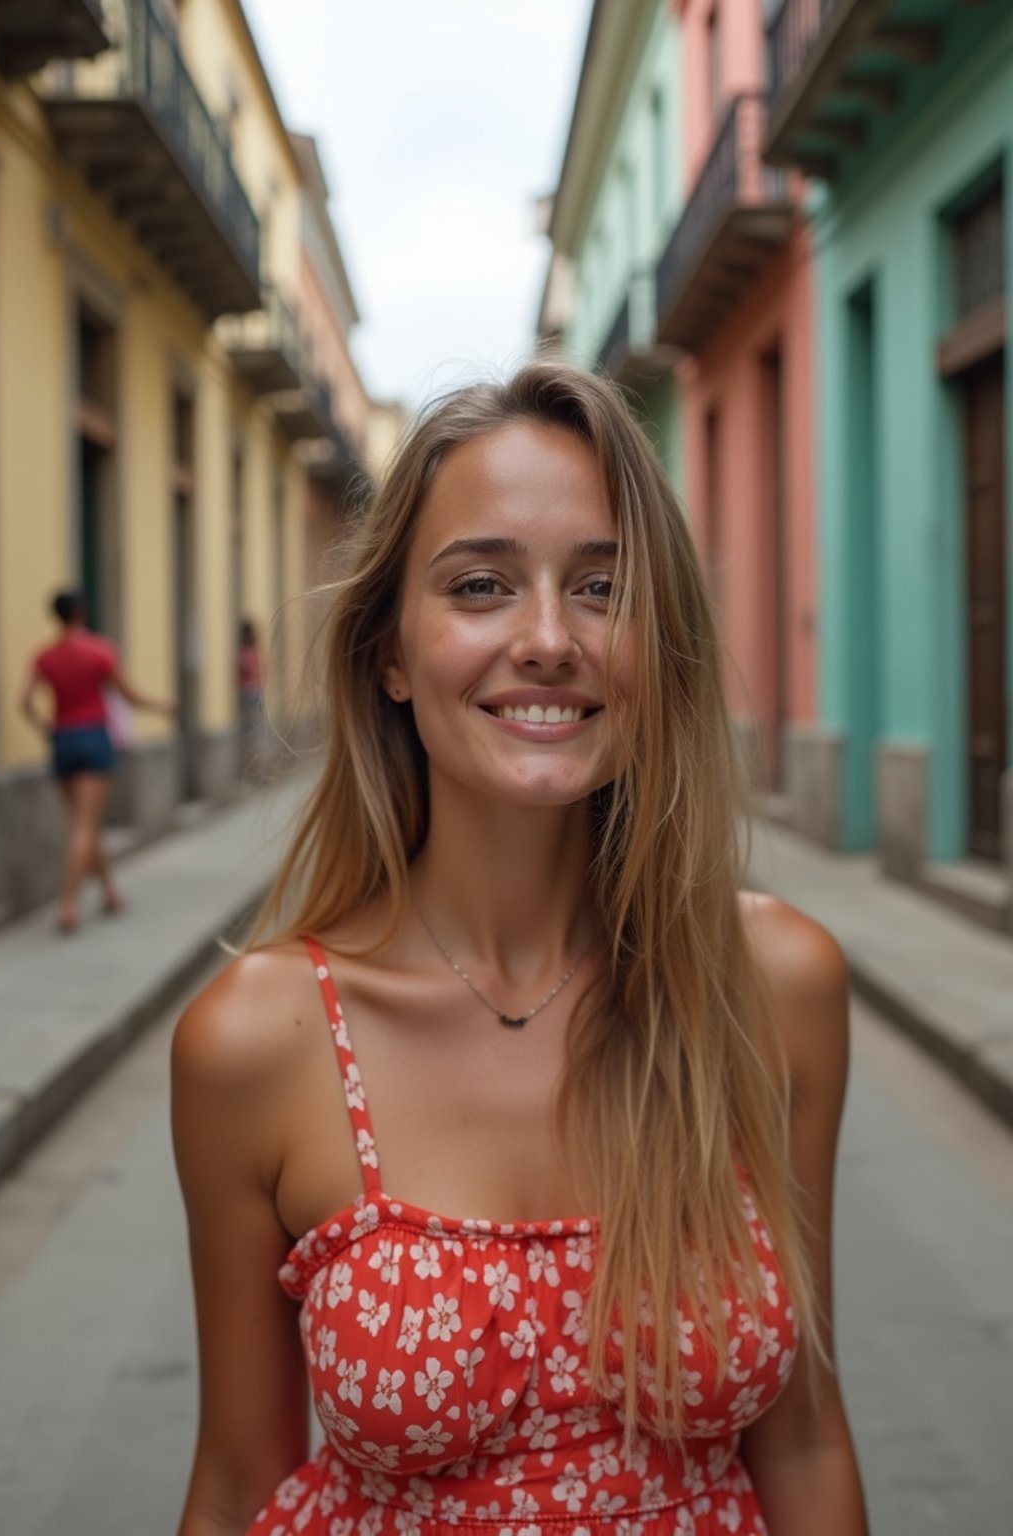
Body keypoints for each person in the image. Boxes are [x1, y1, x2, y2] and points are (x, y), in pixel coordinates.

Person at [172, 363, 868, 1536]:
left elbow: (801, 1446)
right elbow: (240, 1480)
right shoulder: (259, 1039)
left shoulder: (773, 989)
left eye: (603, 587)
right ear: (389, 653)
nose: (550, 639)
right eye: (482, 585)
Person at [19, 589, 176, 932]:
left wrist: (46, 726)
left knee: (84, 822)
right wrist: (161, 706)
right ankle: (68, 906)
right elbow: (128, 695)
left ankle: (109, 892)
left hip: (62, 741)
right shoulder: (99, 650)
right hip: (93, 738)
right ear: (81, 611)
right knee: (84, 825)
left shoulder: (45, 656)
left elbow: (25, 702)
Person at [237, 618, 267, 782]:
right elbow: (264, 671)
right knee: (257, 732)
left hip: (248, 693)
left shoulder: (244, 653)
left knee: (250, 733)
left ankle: (253, 770)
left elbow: (241, 673)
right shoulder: (257, 652)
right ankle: (258, 769)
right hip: (258, 692)